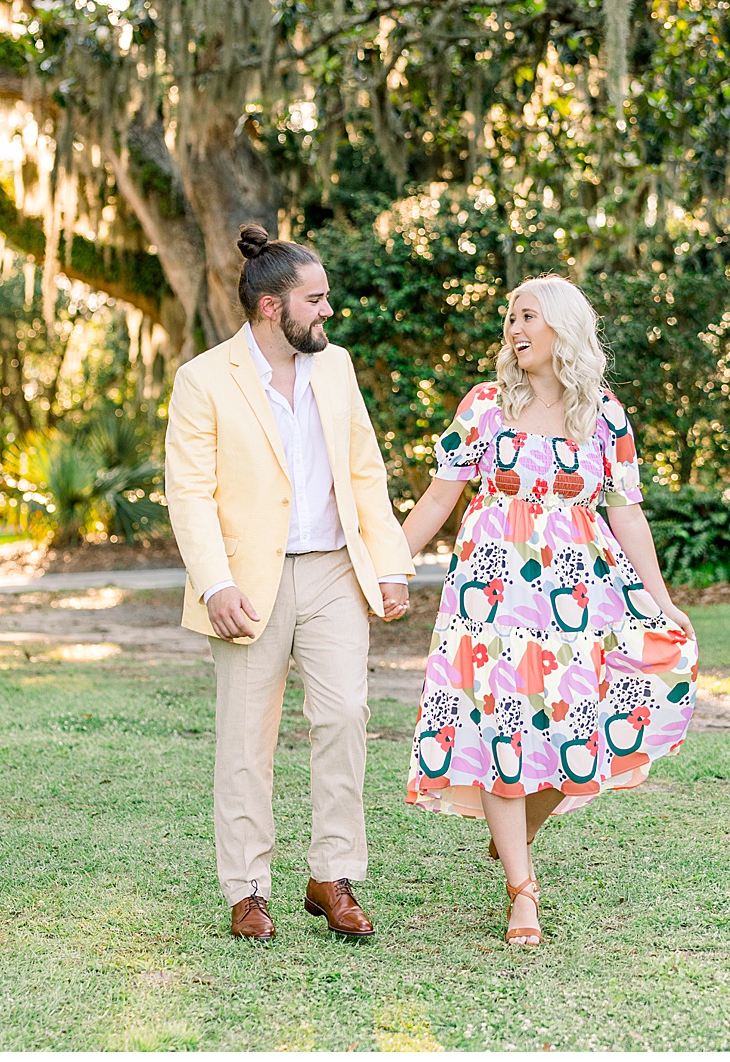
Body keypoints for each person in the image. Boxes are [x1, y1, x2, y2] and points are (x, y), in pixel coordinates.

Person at [400, 275, 698, 947]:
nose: (514, 328)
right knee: (506, 726)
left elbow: (626, 512)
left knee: (586, 722)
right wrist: (384, 567)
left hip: (581, 595)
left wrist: (661, 598)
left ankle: (519, 835)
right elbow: (436, 500)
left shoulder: (604, 414)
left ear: (563, 326)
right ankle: (522, 893)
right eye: (510, 317)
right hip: (493, 596)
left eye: (528, 315)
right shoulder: (483, 406)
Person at [165, 223, 416, 943]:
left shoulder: (334, 368)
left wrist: (389, 561)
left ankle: (331, 876)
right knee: (248, 740)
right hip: (248, 581)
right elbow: (188, 493)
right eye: (317, 299)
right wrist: (214, 584)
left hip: (336, 569)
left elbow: (363, 468)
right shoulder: (204, 379)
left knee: (344, 719)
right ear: (273, 308)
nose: (328, 311)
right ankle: (247, 889)